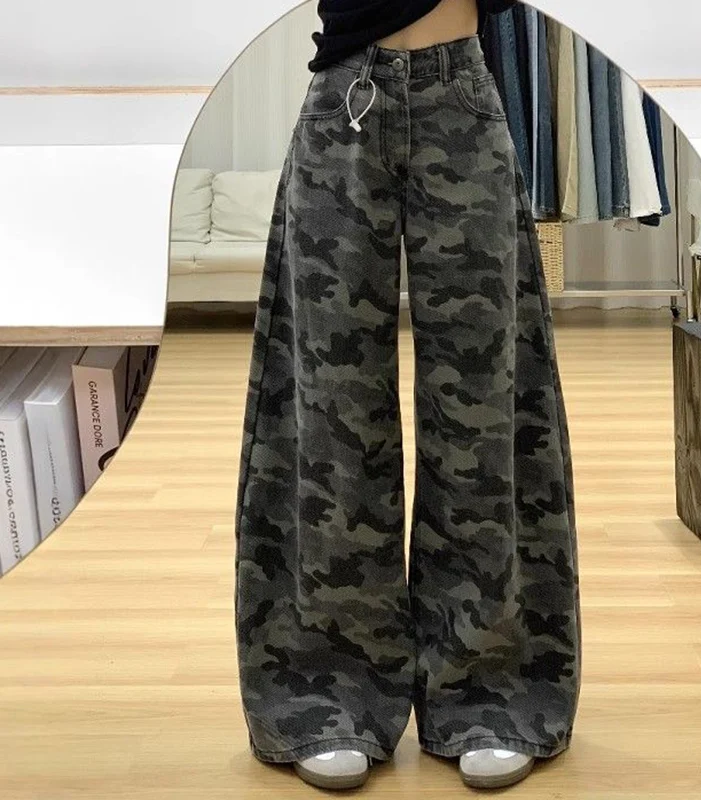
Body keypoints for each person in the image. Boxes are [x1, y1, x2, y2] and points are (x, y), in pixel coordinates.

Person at [234, 0, 581, 790]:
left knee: (485, 405)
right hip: (344, 97)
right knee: (328, 409)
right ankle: (326, 686)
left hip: (463, 93)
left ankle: (491, 682)